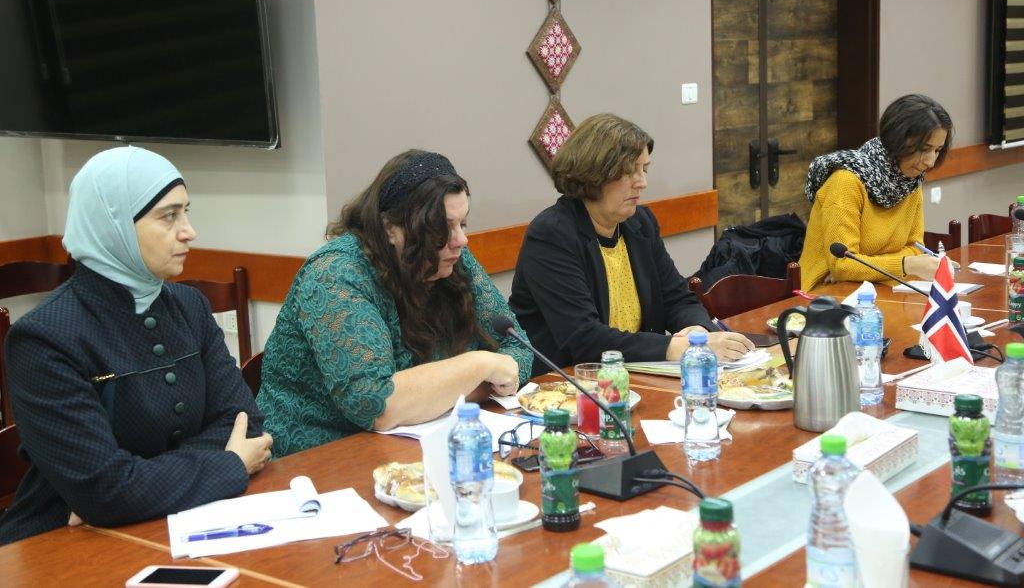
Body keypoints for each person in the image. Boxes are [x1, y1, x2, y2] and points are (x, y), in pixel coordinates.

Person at [0, 147, 272, 546]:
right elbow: (105, 490)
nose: (189, 231)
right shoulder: (43, 337)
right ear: (113, 227)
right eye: (169, 216)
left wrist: (131, 487)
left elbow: (245, 423)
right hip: (63, 544)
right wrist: (228, 465)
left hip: (175, 522)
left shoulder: (189, 306)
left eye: (185, 212)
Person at [257, 150, 532, 457]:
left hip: (410, 448)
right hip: (313, 459)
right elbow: (378, 405)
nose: (460, 240)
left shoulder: (452, 259)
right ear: (389, 227)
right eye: (441, 228)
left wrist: (433, 396)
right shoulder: (335, 274)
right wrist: (480, 366)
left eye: (462, 224)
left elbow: (518, 348)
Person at [510, 113, 754, 376]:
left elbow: (676, 298)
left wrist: (696, 332)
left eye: (644, 169)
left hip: (634, 374)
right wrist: (678, 347)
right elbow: (584, 338)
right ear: (594, 174)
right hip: (563, 383)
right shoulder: (552, 234)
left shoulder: (640, 223)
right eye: (629, 171)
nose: (642, 182)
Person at [799, 93, 954, 291]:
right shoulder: (846, 182)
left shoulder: (909, 182)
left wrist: (864, 267)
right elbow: (843, 265)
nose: (930, 161)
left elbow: (915, 249)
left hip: (883, 286)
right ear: (897, 140)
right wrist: (904, 264)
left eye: (938, 150)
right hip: (826, 295)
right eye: (924, 149)